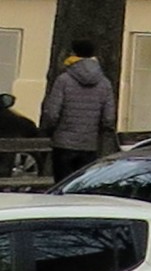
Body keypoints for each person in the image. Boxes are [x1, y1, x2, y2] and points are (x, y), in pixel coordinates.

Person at [39, 37, 115, 184]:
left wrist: (51, 129)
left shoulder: (64, 80)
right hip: (89, 144)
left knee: (62, 185)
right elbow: (109, 118)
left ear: (73, 53)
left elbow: (52, 112)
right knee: (81, 186)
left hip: (64, 143)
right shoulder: (104, 83)